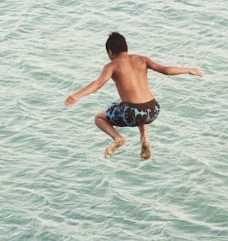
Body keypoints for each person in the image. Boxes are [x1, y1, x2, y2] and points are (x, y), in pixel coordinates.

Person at [64, 32, 202, 160]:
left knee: (99, 117)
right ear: (126, 48)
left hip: (133, 113)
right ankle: (144, 139)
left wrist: (77, 95)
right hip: (153, 110)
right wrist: (189, 70)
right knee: (130, 105)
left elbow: (98, 84)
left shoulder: (111, 66)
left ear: (110, 52)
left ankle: (117, 138)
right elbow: (165, 70)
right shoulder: (142, 59)